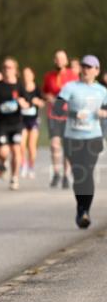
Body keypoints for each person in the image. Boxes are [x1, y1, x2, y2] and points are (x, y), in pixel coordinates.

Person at [57, 55, 107, 228]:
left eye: (90, 67)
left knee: (88, 172)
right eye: (84, 66)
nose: (86, 69)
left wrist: (103, 113)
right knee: (79, 175)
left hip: (93, 137)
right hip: (72, 138)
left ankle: (85, 211)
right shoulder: (70, 87)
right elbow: (57, 107)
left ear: (97, 71)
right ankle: (81, 208)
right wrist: (72, 114)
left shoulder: (102, 91)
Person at [0, 57, 28, 190]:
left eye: (10, 67)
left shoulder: (19, 85)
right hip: (2, 124)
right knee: (3, 151)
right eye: (5, 67)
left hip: (17, 123)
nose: (7, 70)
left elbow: (28, 102)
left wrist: (24, 103)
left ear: (15, 70)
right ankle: (2, 162)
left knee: (16, 150)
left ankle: (14, 177)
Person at [43, 49, 78, 188]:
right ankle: (56, 172)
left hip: (68, 115)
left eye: (62, 58)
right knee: (54, 144)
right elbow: (44, 92)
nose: (59, 61)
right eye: (57, 58)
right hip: (53, 114)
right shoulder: (49, 76)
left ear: (66, 61)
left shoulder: (73, 76)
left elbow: (77, 93)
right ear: (54, 61)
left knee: (67, 146)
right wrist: (49, 97)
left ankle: (66, 175)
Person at [19, 66, 44, 179]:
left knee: (31, 145)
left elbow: (43, 102)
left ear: (32, 76)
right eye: (24, 75)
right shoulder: (20, 88)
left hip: (33, 119)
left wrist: (37, 101)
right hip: (22, 119)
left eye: (28, 74)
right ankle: (23, 164)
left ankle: (31, 167)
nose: (26, 77)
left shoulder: (37, 89)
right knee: (21, 144)